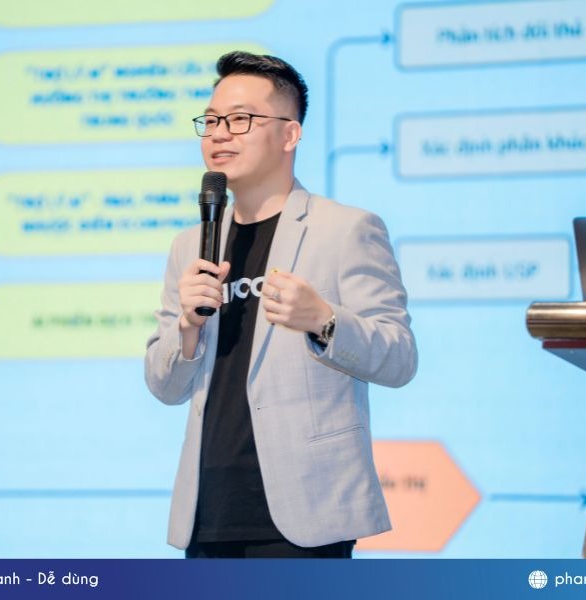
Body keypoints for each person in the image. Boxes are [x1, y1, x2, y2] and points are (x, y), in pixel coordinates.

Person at [144, 51, 417, 559]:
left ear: (290, 134)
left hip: (306, 514)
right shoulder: (190, 244)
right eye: (212, 121)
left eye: (240, 120)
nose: (219, 134)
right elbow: (165, 387)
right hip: (209, 512)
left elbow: (400, 357)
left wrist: (324, 321)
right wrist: (186, 330)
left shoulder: (345, 229)